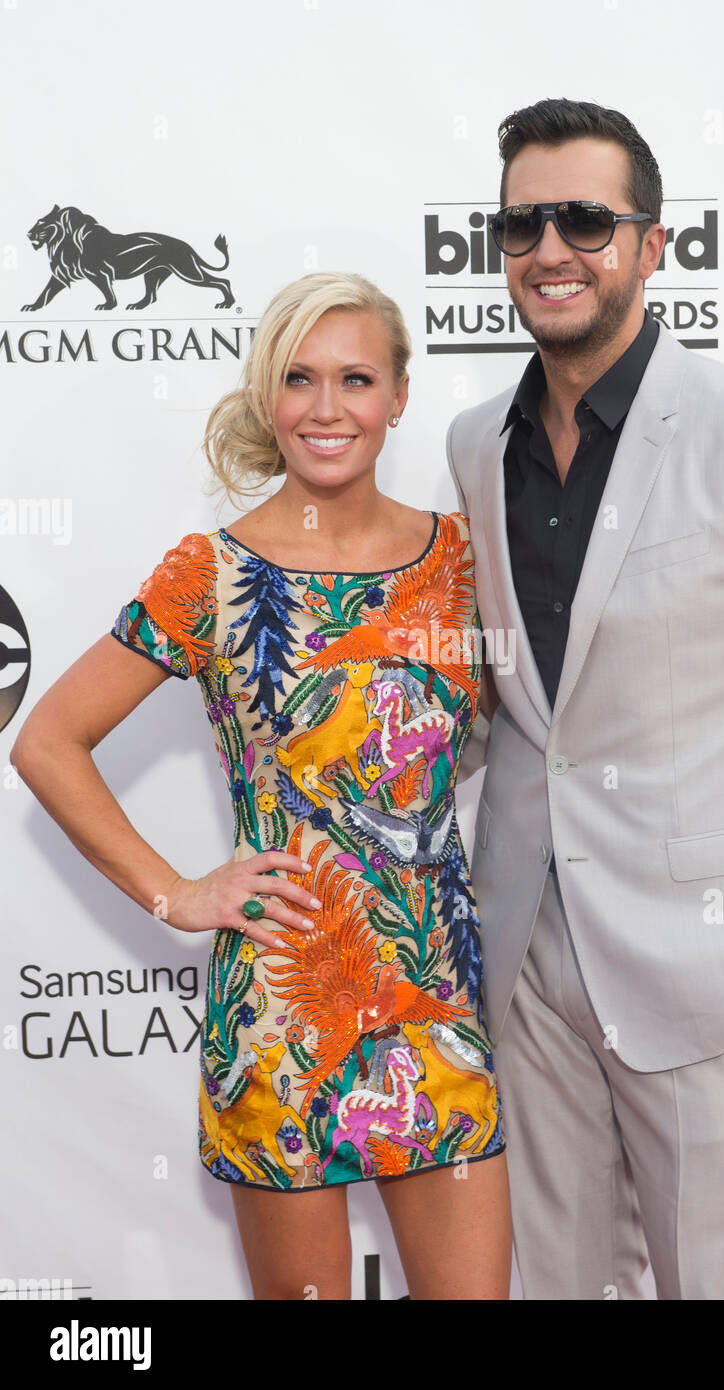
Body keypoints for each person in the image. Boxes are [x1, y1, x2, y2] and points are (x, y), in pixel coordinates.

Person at [446, 98, 724, 1300]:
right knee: (551, 1285)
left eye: (585, 220)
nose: (550, 248)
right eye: (522, 224)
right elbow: (517, 707)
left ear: (652, 244)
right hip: (528, 960)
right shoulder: (468, 443)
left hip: (712, 968)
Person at [11, 271, 511, 1301]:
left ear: (399, 396)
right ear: (265, 397)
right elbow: (47, 740)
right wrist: (178, 892)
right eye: (299, 379)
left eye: (356, 378)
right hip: (280, 1011)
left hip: (437, 1006)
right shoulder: (212, 573)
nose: (327, 409)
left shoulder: (462, 561)